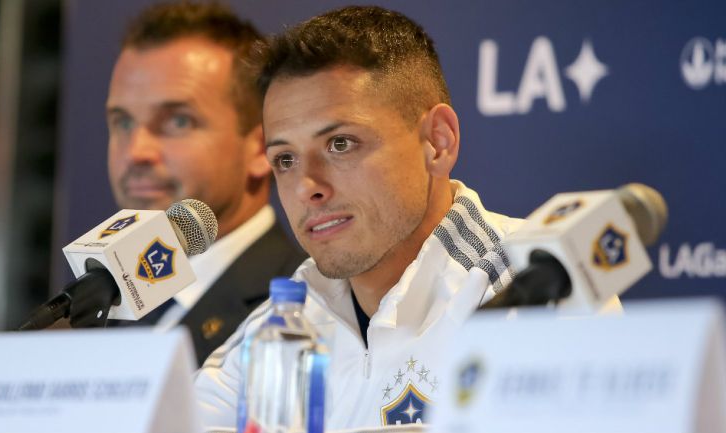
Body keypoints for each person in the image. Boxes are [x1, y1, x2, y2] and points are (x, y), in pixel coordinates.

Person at [194, 5, 523, 430]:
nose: (305, 187)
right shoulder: (280, 326)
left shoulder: (536, 283)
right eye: (286, 159)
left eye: (340, 144)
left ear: (438, 143)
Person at [105, 2, 305, 365]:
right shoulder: (87, 310)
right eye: (123, 122)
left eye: (178, 122)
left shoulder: (309, 308)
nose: (136, 151)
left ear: (261, 148)